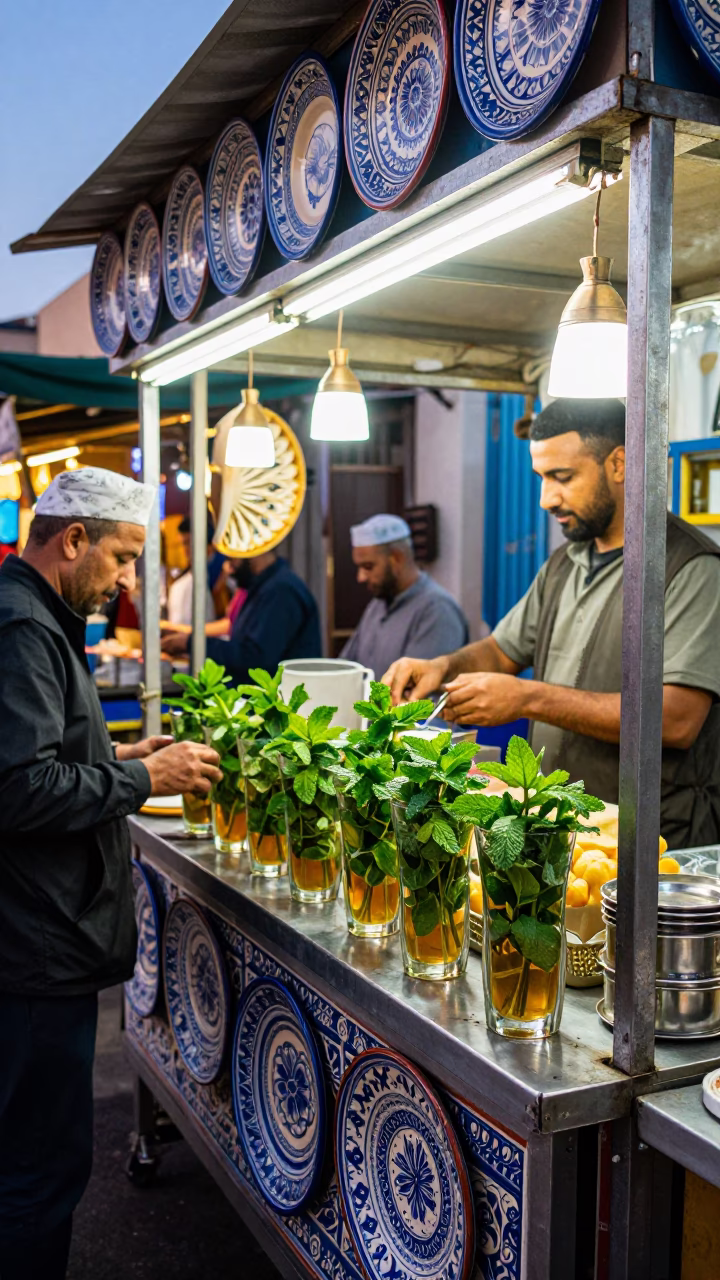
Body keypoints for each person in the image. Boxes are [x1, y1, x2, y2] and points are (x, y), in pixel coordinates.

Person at [0, 467, 223, 1280]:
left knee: (33, 1160)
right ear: (74, 540)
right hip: (32, 949)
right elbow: (18, 788)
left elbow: (43, 749)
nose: (130, 580)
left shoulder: (37, 616)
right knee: (37, 1171)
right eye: (125, 559)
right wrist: (142, 782)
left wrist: (120, 753)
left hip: (37, 939)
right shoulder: (22, 627)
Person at [384, 399, 720, 848]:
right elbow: (502, 651)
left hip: (653, 844)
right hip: (562, 830)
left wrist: (528, 698)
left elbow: (676, 720)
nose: (546, 499)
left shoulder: (691, 568)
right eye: (541, 478)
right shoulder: (565, 562)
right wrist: (442, 667)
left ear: (619, 463)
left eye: (562, 477)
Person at [162, 547, 321, 682]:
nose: (229, 567)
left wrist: (191, 643)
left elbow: (254, 658)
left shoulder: (281, 591)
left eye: (233, 558)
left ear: (253, 551)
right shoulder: (262, 588)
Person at [340, 514, 469, 677]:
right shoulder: (377, 606)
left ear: (397, 558)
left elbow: (416, 694)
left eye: (368, 566)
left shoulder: (437, 611)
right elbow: (347, 667)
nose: (361, 577)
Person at [166, 513, 217, 627]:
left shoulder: (220, 574)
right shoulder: (185, 577)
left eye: (188, 542)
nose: (185, 549)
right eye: (183, 543)